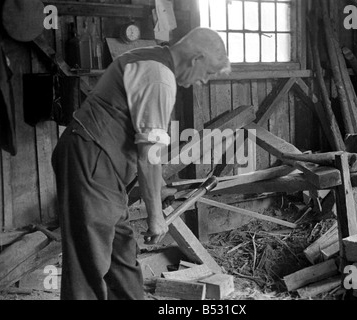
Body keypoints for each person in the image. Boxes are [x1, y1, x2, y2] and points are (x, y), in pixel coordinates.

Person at [51, 27, 231, 300]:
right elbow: (149, 155)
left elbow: (142, 145)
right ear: (197, 59)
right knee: (88, 261)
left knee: (121, 254)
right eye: (207, 74)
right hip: (90, 159)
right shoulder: (159, 78)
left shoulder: (149, 58)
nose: (203, 81)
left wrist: (159, 189)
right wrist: (156, 217)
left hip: (104, 165)